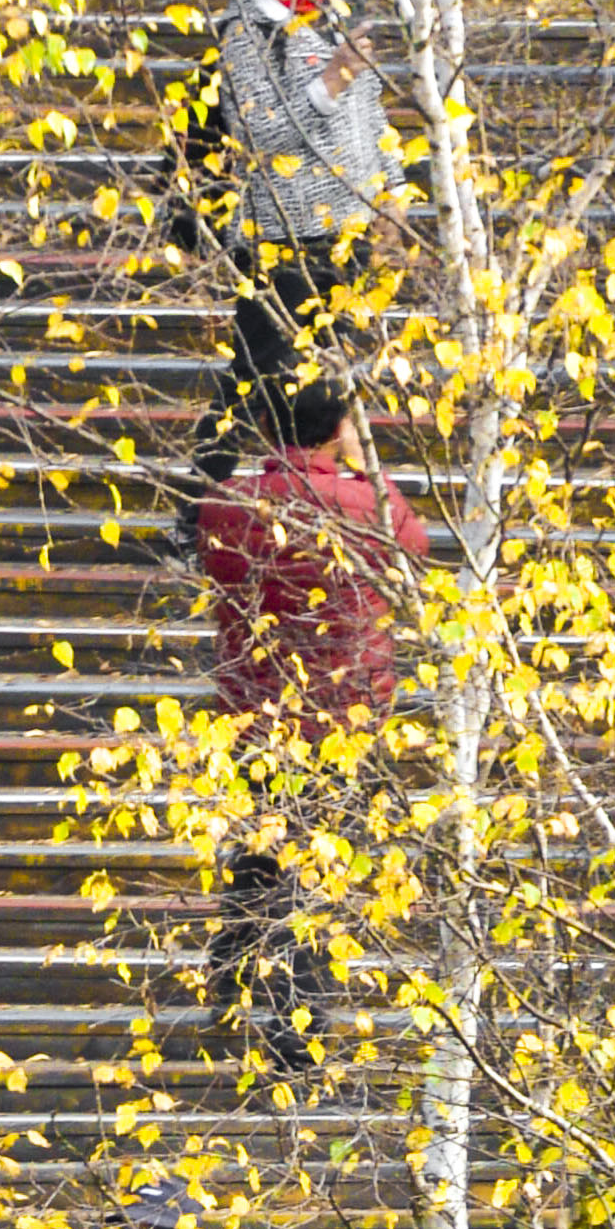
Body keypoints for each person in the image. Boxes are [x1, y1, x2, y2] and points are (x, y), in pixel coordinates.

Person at [192, 377, 428, 1081]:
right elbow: (413, 549)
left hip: (253, 708)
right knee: (317, 874)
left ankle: (231, 981)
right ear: (338, 431)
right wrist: (366, 466)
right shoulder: (368, 506)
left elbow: (215, 565)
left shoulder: (227, 504)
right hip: (341, 714)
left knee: (257, 847)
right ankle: (296, 1032)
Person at [172, 0, 397, 472]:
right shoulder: (245, 32)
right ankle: (194, 513)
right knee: (251, 381)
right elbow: (257, 134)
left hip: (349, 225)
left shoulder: (340, 5)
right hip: (279, 238)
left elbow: (372, 113)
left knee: (341, 369)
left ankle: (354, 500)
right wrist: (329, 82)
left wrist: (394, 189)